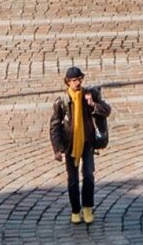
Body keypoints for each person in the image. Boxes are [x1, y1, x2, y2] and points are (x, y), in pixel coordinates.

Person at [46, 65, 110, 225]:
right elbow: (55, 125)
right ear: (68, 82)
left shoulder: (90, 94)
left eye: (79, 79)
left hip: (87, 142)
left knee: (88, 175)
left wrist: (92, 105)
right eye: (74, 80)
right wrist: (57, 148)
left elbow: (106, 110)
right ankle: (75, 210)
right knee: (73, 179)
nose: (77, 83)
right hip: (70, 145)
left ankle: (87, 207)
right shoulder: (62, 101)